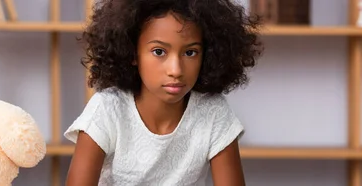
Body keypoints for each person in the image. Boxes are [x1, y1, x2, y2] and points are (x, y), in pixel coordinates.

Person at [63, 0, 263, 185]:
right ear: (133, 53)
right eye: (159, 51)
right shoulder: (107, 109)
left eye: (190, 52)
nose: (176, 70)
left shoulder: (213, 112)